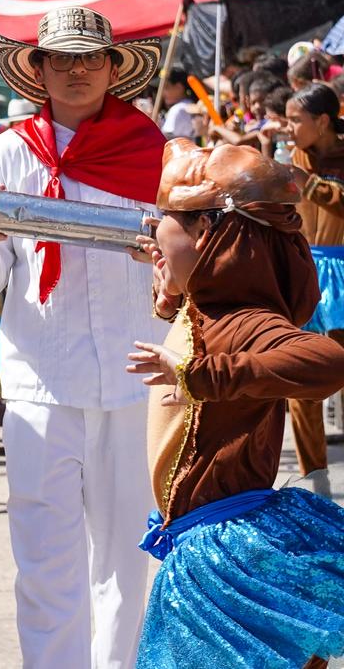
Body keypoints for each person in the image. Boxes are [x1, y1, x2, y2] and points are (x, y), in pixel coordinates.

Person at [0, 6, 167, 668]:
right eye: (62, 59)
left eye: (90, 58)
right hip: (41, 382)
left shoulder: (153, 148)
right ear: (39, 70)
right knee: (45, 561)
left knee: (129, 561)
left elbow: (187, 264)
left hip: (136, 381)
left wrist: (167, 257)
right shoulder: (11, 151)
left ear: (112, 68)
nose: (77, 71)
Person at [128, 139, 344, 669]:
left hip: (225, 554)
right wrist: (174, 299)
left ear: (207, 234)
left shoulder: (247, 321)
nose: (151, 237)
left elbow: (328, 361)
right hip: (202, 542)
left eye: (162, 223)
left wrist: (209, 375)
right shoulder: (209, 311)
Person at [277, 82, 344, 492]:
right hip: (304, 271)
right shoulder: (295, 156)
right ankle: (316, 483)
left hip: (342, 270)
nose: (287, 128)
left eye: (295, 120)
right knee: (303, 378)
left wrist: (310, 183)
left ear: (321, 121)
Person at [158, 67, 194, 140]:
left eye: (166, 87)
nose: (162, 92)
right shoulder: (188, 104)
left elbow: (164, 140)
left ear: (179, 87)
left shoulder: (178, 109)